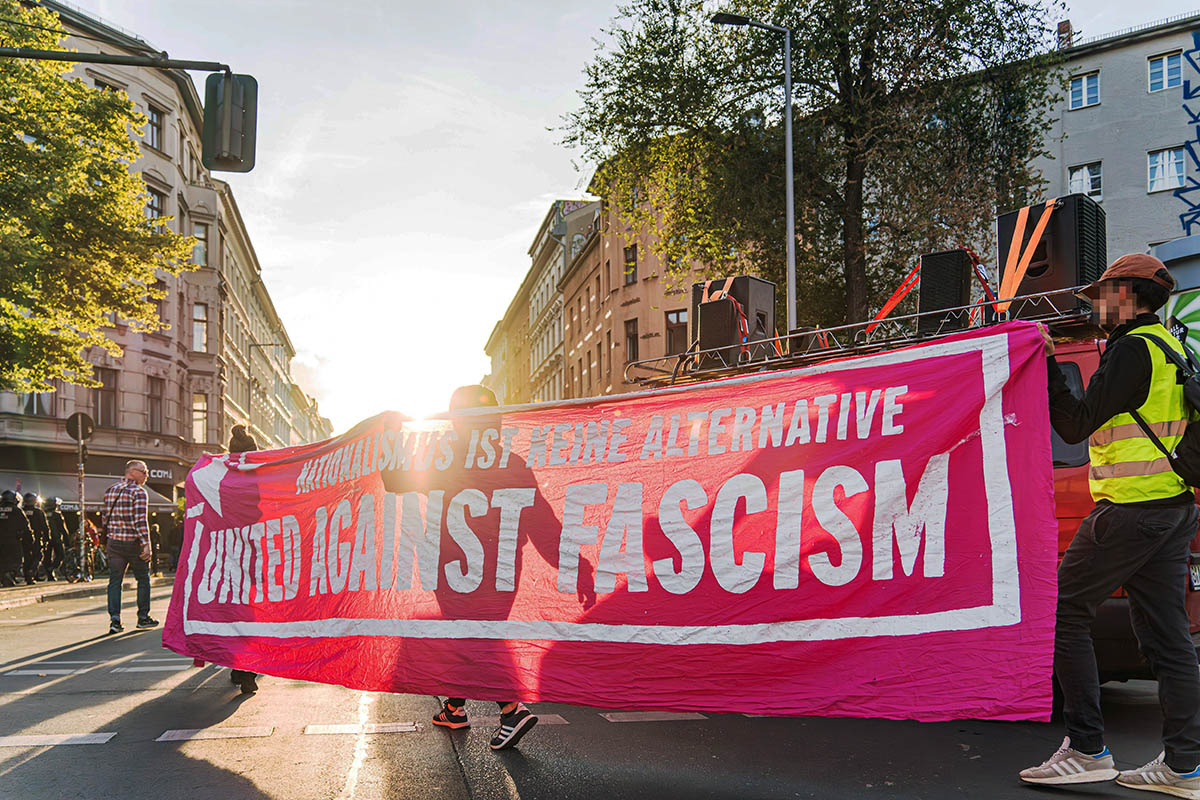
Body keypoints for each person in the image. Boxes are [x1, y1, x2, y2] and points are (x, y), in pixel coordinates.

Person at [1020, 254, 1200, 797]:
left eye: (1103, 295)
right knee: (1170, 640)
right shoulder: (1173, 346)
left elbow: (1075, 425)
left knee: (1064, 612)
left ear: (1127, 297)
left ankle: (1086, 750)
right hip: (1174, 509)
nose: (1097, 305)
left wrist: (1048, 364)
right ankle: (1184, 767)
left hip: (1129, 511)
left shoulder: (1131, 349)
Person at [407, 385, 540, 750]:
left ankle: (511, 709)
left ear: (455, 422)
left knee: (475, 637)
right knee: (473, 635)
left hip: (455, 569)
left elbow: (396, 479)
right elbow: (541, 519)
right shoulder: (512, 463)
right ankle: (454, 708)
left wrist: (389, 433)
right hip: (502, 570)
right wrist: (577, 566)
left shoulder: (444, 462)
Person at [102, 460, 158, 634]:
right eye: (144, 472)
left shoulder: (110, 490)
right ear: (132, 472)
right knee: (143, 579)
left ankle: (115, 620)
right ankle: (143, 618)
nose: (146, 475)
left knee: (115, 581)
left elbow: (104, 518)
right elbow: (140, 521)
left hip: (114, 542)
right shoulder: (139, 492)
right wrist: (146, 544)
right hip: (133, 543)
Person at [226, 424, 261, 694]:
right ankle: (247, 671)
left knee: (233, 609)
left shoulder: (220, 475)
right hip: (253, 550)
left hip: (226, 551)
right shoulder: (261, 477)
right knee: (252, 611)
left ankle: (237, 666)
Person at [0, 489, 29, 587]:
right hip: (13, 540)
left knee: (2, 559)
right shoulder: (17, 510)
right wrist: (29, 539)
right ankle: (9, 574)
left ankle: (3, 576)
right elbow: (25, 526)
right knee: (16, 559)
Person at [22, 494, 49, 582]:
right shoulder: (38, 512)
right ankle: (31, 571)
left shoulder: (21, 511)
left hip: (23, 538)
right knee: (38, 556)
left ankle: (28, 576)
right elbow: (45, 527)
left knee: (27, 557)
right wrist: (47, 538)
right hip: (37, 538)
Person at [42, 497, 68, 581]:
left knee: (47, 557)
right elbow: (62, 528)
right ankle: (52, 567)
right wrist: (67, 541)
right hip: (56, 539)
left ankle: (49, 575)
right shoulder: (57, 515)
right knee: (61, 555)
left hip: (45, 539)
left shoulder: (43, 514)